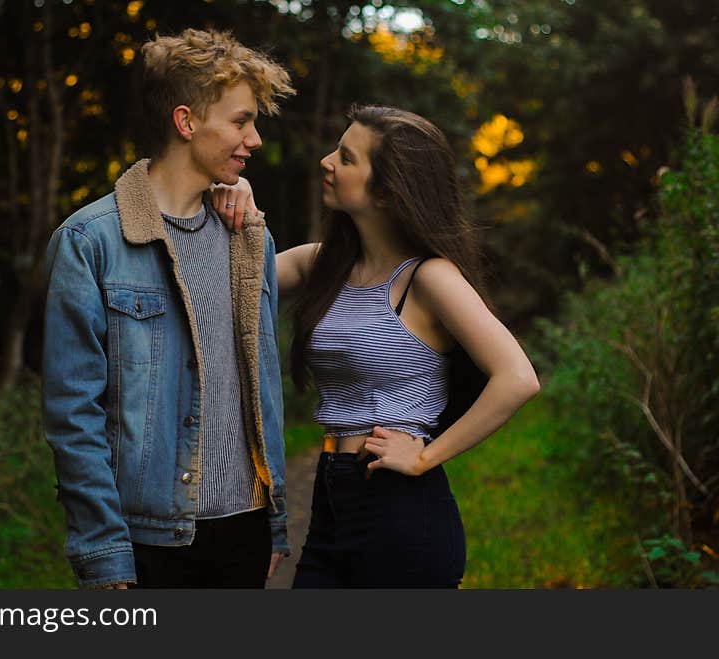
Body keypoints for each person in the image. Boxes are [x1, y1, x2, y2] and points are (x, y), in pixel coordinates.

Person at [213, 105, 540, 588]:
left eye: (345, 158)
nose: (326, 161)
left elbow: (517, 377)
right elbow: (215, 283)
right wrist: (232, 195)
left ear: (386, 192)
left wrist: (427, 455)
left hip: (401, 511)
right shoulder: (320, 265)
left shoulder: (429, 278)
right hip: (331, 500)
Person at [41, 29, 295, 589]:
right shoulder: (90, 242)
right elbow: (72, 414)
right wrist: (102, 546)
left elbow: (263, 385)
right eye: (240, 120)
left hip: (244, 530)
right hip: (145, 539)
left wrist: (272, 524)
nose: (253, 139)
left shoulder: (249, 238)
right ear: (186, 122)